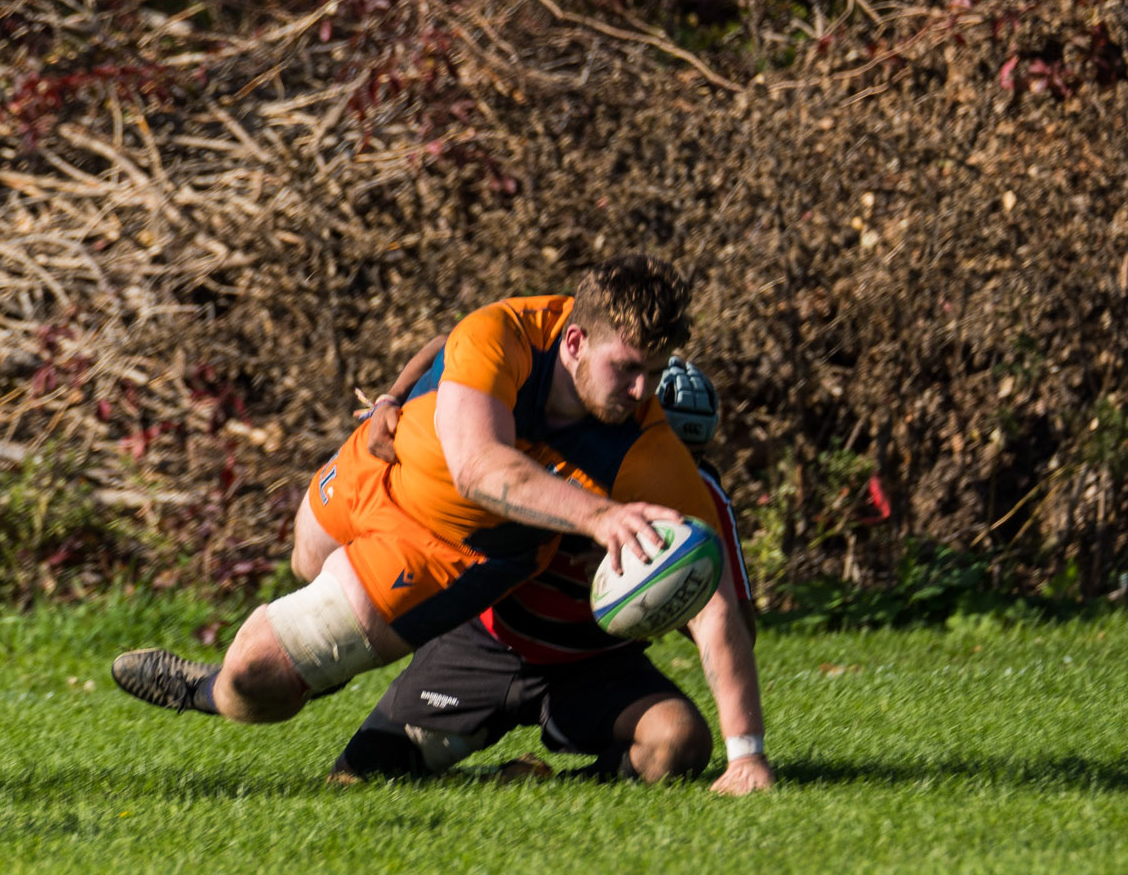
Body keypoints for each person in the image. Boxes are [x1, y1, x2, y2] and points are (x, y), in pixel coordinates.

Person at [111, 249, 702, 732]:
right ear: (577, 339)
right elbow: (452, 345)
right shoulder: (526, 325)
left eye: (652, 371)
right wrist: (393, 396)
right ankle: (329, 662)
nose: (641, 388)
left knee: (253, 673)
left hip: (444, 548)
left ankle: (205, 690)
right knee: (305, 558)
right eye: (629, 368)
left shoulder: (638, 443)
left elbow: (481, 469)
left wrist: (746, 751)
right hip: (383, 468)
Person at [328, 350, 774, 796]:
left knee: (679, 742)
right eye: (668, 449)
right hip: (485, 643)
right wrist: (392, 398)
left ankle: (538, 784)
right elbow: (453, 348)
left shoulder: (698, 499)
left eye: (692, 456)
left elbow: (738, 628)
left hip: (599, 665)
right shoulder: (550, 454)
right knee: (355, 776)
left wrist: (658, 579)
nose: (676, 471)